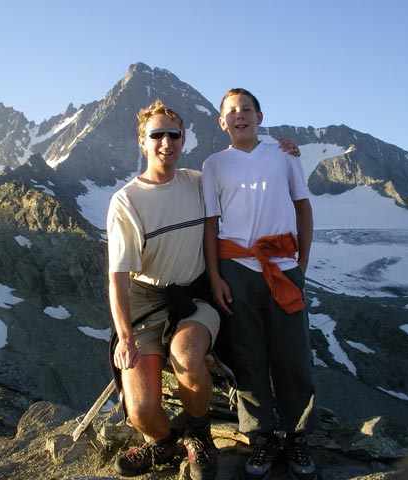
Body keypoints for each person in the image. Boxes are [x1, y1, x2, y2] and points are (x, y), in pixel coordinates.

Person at [202, 88, 317, 480]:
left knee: (293, 354)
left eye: (246, 109)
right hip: (236, 269)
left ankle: (296, 435)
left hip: (283, 266)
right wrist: (215, 276)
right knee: (248, 355)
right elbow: (210, 224)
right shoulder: (214, 164)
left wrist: (301, 262)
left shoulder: (283, 154)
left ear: (260, 116)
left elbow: (302, 205)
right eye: (231, 112)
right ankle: (260, 437)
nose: (240, 116)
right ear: (222, 122)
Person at [106, 99, 220, 480]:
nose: (166, 143)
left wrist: (284, 155)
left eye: (173, 135)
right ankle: (167, 441)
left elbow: (248, 184)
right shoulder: (126, 201)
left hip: (193, 295)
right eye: (157, 135)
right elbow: (118, 278)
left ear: (183, 140)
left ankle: (200, 436)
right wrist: (125, 338)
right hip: (146, 302)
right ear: (142, 141)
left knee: (186, 359)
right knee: (140, 412)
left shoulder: (197, 182)